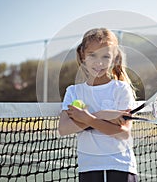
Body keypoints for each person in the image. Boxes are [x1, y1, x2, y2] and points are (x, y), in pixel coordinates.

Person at [58, 28, 138, 182]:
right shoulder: (73, 91)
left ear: (114, 59)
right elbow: (64, 128)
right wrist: (102, 115)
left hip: (120, 167)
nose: (99, 63)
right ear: (83, 56)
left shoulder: (121, 89)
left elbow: (123, 133)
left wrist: (88, 119)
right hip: (88, 168)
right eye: (92, 55)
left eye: (106, 56)